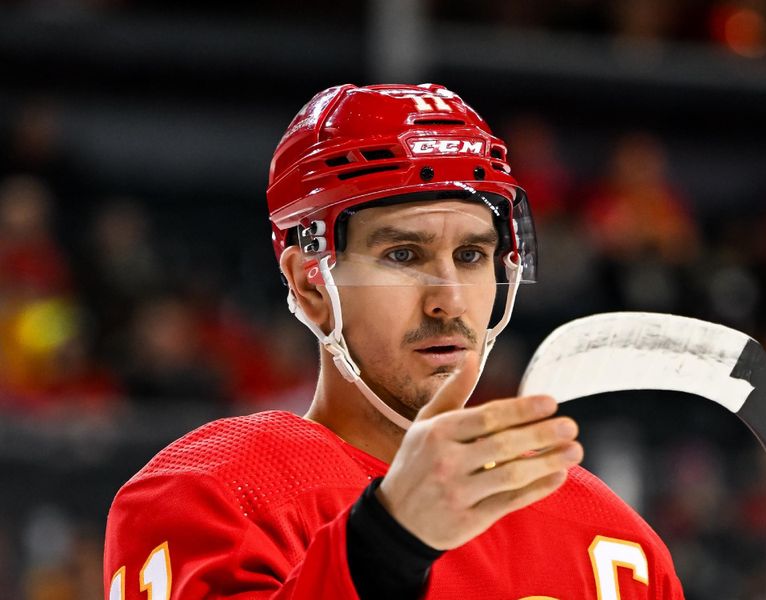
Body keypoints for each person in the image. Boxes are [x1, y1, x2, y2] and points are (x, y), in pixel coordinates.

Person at [104, 84, 684, 599]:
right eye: (403, 255)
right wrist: (388, 544)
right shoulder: (217, 493)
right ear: (313, 285)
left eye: (471, 256)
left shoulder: (611, 537)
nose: (449, 302)